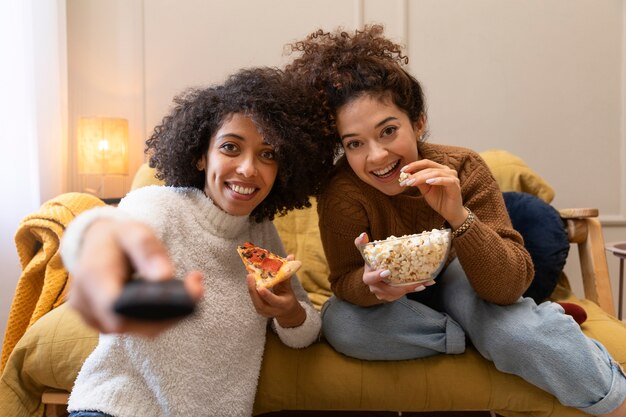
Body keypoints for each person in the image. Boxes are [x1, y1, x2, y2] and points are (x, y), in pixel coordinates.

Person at [285, 25, 626, 416]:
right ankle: (489, 335)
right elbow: (344, 282)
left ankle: (612, 395)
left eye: (389, 131)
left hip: (463, 279)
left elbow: (508, 286)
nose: (376, 156)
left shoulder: (463, 166)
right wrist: (368, 286)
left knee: (505, 321)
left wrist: (457, 214)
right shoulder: (341, 192)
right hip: (398, 310)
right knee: (341, 323)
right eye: (354, 144)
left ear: (418, 122)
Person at [59, 67, 335, 417]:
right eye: (231, 147)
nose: (249, 169)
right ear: (202, 155)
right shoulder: (158, 205)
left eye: (268, 154)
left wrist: (289, 312)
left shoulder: (261, 231)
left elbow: (303, 332)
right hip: (115, 409)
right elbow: (108, 231)